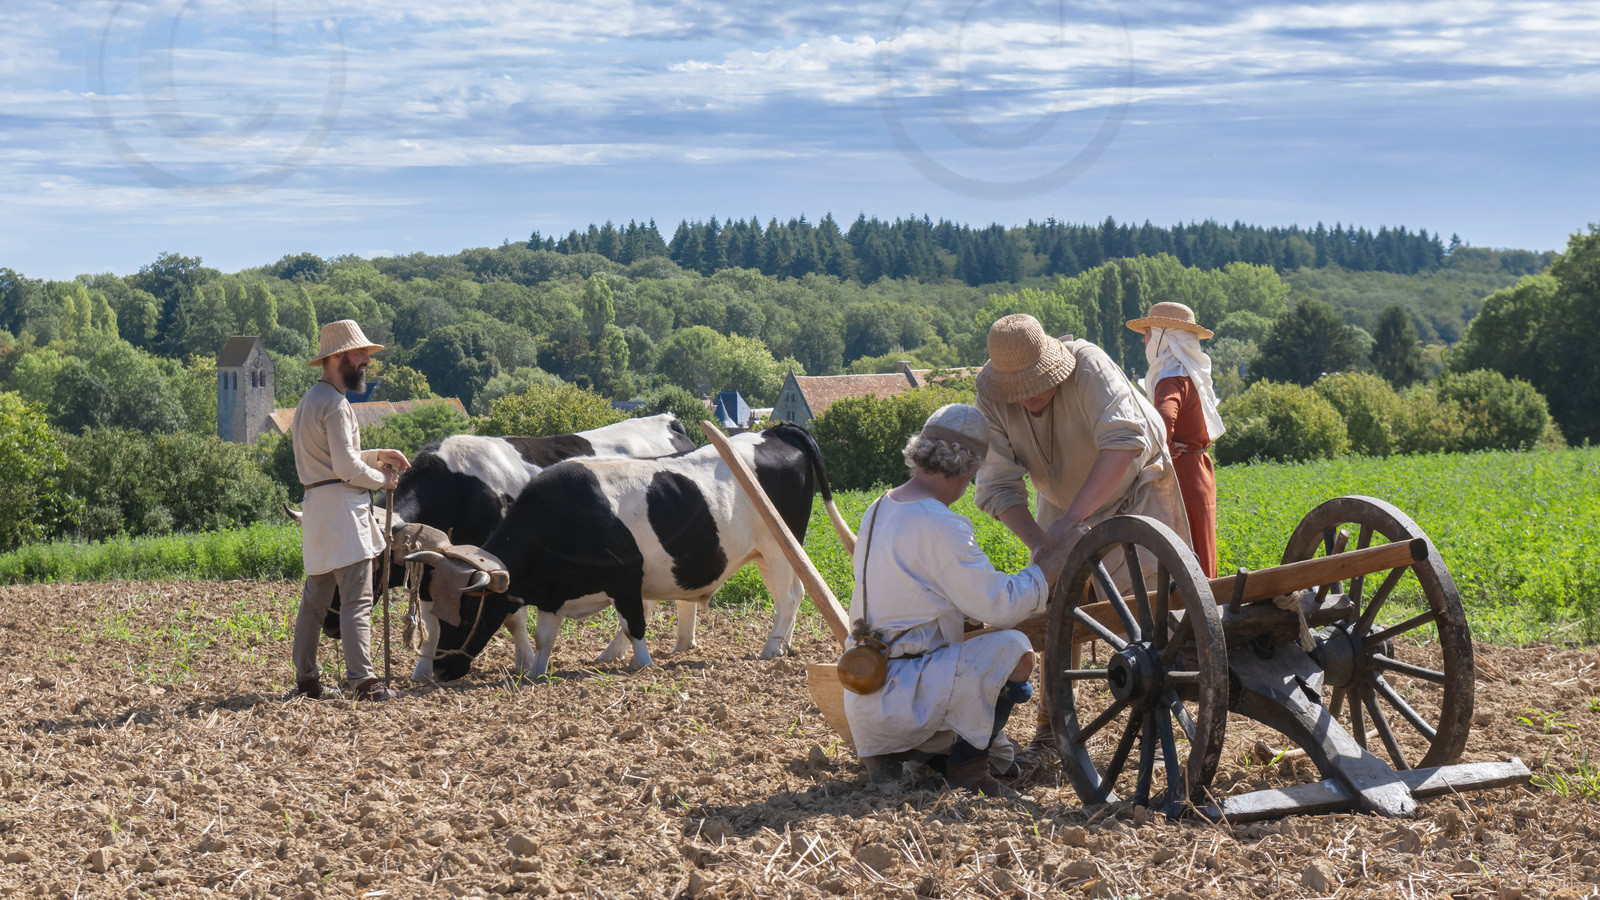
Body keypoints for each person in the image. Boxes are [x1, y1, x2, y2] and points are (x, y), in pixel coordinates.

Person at [972, 313, 1189, 758]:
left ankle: (1168, 709)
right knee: (1056, 605)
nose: (1028, 396)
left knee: (1152, 606)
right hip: (1060, 501)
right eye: (1019, 389)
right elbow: (996, 484)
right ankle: (1052, 733)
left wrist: (1072, 520)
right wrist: (1041, 541)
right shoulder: (991, 395)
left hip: (1135, 490)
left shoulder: (1088, 364)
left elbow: (1125, 442)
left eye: (1037, 382)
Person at [842, 404, 1079, 797]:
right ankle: (966, 769)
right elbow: (999, 606)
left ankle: (918, 755)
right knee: (1014, 650)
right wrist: (1056, 559)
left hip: (870, 690)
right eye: (972, 478)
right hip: (905, 698)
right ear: (967, 469)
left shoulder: (880, 506)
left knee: (1004, 758)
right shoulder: (935, 520)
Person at [291, 320, 411, 702]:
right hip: (344, 510)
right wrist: (382, 479)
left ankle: (307, 681)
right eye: (360, 354)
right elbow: (345, 469)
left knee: (314, 602)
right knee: (357, 601)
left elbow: (335, 460)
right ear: (338, 356)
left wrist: (377, 455)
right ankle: (364, 681)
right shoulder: (337, 405)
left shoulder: (311, 400)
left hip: (317, 510)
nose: (366, 362)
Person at [1126, 301, 1224, 577]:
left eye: (1149, 333)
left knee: (1185, 544)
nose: (1144, 339)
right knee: (1200, 540)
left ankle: (1195, 613)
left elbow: (1165, 416)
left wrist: (1164, 445)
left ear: (1163, 337)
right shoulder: (1189, 373)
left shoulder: (1171, 377)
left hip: (1179, 473)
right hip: (1199, 468)